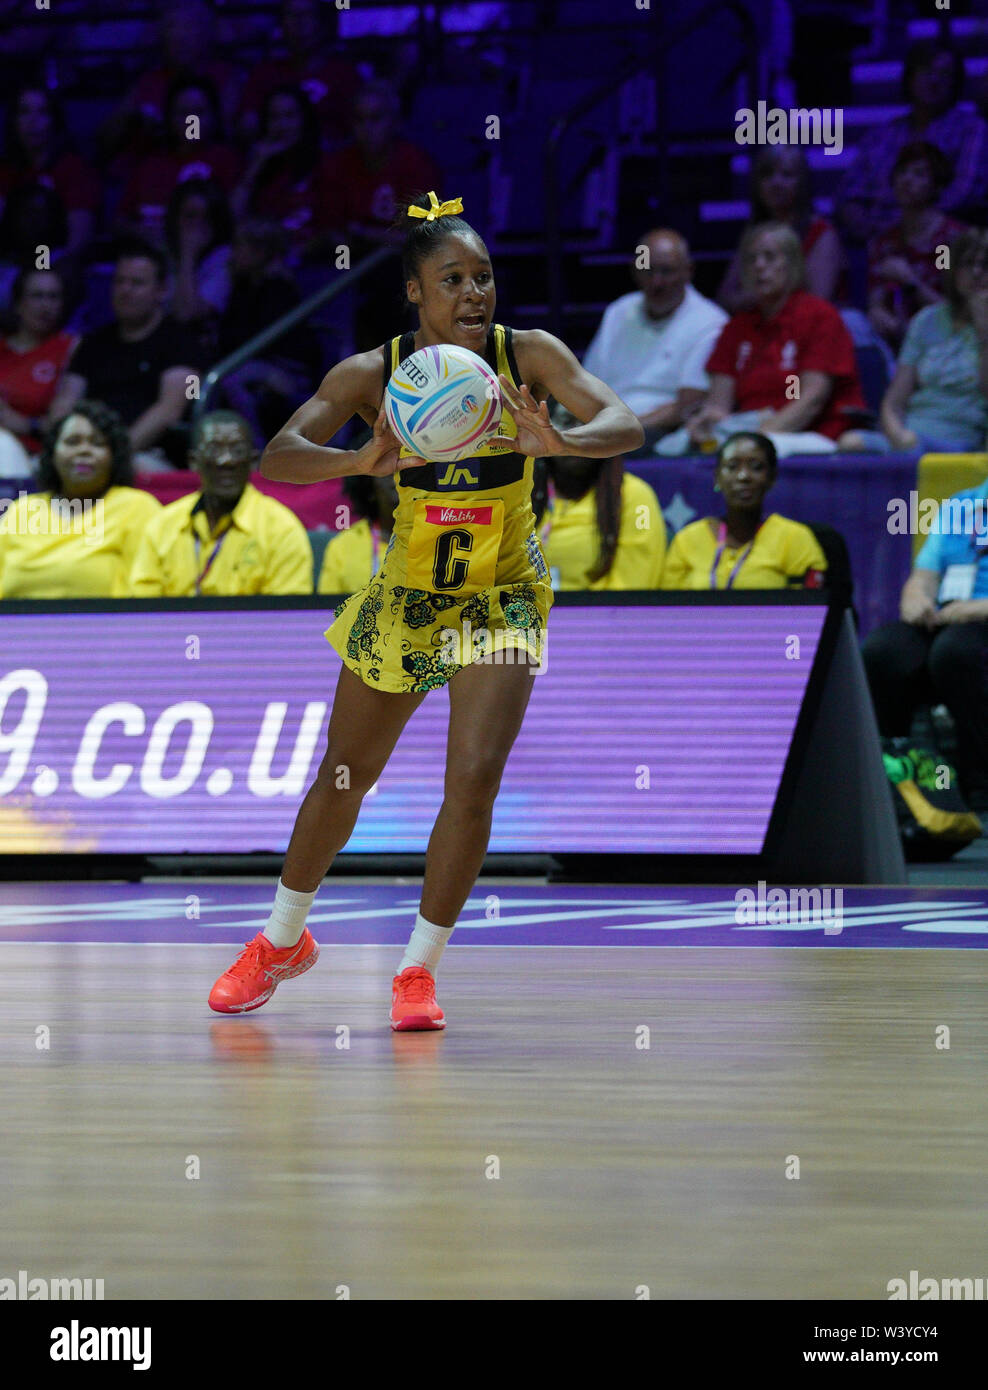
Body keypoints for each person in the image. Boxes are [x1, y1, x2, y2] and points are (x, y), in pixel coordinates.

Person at [206, 191, 643, 1028]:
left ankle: (417, 970)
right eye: (454, 279)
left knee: (473, 781)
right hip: (407, 595)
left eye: (484, 277)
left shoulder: (531, 355)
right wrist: (360, 459)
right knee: (344, 777)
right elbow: (278, 456)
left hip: (501, 595)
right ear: (415, 291)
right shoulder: (373, 372)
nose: (475, 294)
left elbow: (622, 421)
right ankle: (281, 942)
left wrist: (561, 444)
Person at [660, 224, 866, 457]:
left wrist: (758, 437)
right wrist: (707, 425)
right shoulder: (736, 328)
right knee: (672, 448)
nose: (759, 266)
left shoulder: (820, 316)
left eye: (769, 257)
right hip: (747, 431)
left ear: (793, 264)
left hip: (813, 434)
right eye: (751, 260)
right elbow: (719, 406)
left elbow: (811, 400)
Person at [861, 480, 988, 811]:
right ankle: (900, 777)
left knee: (955, 653)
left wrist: (977, 608)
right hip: (948, 616)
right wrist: (915, 598)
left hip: (976, 620)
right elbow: (924, 575)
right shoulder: (961, 505)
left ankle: (979, 783)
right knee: (884, 652)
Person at [314, 82, 441, 351]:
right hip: (349, 260)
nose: (367, 128)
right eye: (359, 120)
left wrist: (365, 234)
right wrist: (360, 239)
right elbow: (332, 229)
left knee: (391, 280)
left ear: (394, 122)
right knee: (334, 266)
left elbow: (422, 236)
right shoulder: (336, 165)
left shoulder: (416, 163)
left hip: (401, 263)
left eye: (376, 118)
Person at [130, 411, 313, 597]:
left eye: (238, 450)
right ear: (194, 462)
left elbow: (285, 616)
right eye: (213, 449)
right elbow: (144, 610)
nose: (226, 460)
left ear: (252, 462)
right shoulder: (162, 526)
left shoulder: (281, 529)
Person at [581, 229, 727, 449]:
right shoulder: (618, 311)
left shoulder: (711, 322)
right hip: (601, 425)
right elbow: (585, 384)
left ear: (689, 271)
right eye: (648, 271)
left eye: (666, 271)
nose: (657, 282)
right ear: (635, 271)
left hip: (655, 432)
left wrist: (620, 431)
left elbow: (687, 406)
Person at [0, 400, 161, 599]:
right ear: (52, 454)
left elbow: (148, 591)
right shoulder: (22, 510)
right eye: (72, 442)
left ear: (114, 456)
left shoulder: (137, 507)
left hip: (109, 628)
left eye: (97, 443)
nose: (84, 450)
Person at [837, 38, 988, 242]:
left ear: (956, 82)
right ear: (910, 77)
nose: (934, 80)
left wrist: (906, 225)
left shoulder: (972, 130)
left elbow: (964, 194)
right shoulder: (882, 134)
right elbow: (850, 193)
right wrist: (864, 226)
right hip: (873, 240)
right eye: (926, 71)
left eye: (944, 74)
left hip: (939, 239)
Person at [69, 239, 200, 469]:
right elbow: (64, 402)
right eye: (120, 281)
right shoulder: (93, 342)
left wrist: (112, 456)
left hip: (148, 456)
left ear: (161, 290)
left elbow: (170, 410)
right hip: (85, 452)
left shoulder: (184, 343)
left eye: (137, 283)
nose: (125, 290)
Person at [661, 432, 827, 590]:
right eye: (732, 467)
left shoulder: (795, 538)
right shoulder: (687, 540)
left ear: (771, 478)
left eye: (756, 467)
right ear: (717, 477)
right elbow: (670, 611)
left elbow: (807, 613)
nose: (743, 476)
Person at [876, 227, 988, 455]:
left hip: (961, 442)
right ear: (954, 270)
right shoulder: (926, 320)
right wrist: (898, 435)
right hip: (911, 435)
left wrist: (984, 331)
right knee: (852, 443)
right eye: (968, 264)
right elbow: (893, 403)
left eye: (986, 265)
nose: (976, 272)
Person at [213, 219, 322, 447]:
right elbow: (230, 335)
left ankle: (258, 448)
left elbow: (263, 340)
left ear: (260, 251)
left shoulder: (280, 288)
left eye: (239, 247)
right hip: (252, 364)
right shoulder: (242, 287)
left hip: (287, 371)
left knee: (229, 381)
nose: (232, 255)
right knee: (220, 379)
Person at [534, 409, 665, 589]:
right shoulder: (524, 492)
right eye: (567, 421)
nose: (579, 433)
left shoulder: (638, 498)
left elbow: (633, 584)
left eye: (588, 424)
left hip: (597, 614)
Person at [717, 147, 845, 312]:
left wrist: (758, 295)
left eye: (787, 175)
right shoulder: (754, 232)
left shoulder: (822, 234)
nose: (776, 183)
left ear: (803, 182)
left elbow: (818, 303)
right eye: (767, 175)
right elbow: (725, 299)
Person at [116, 77, 240, 246]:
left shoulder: (227, 160)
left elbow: (236, 220)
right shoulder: (149, 163)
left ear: (214, 115)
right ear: (169, 117)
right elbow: (120, 221)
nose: (192, 122)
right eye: (184, 113)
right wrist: (142, 233)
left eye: (199, 112)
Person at [867, 142, 965, 348]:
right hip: (896, 340)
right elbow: (876, 299)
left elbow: (957, 312)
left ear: (936, 186)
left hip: (947, 341)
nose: (906, 180)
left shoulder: (949, 241)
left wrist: (911, 281)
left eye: (919, 174)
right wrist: (878, 313)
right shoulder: (884, 242)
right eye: (902, 172)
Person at [0, 84, 100, 263]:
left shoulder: (74, 169)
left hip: (55, 263)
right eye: (24, 112)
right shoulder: (5, 171)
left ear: (55, 119)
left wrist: (43, 266)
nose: (33, 121)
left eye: (42, 112)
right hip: (10, 262)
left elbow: (78, 239)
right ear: (13, 121)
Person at [239, 0, 360, 148]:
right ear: (281, 24)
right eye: (292, 15)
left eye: (307, 15)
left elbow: (360, 130)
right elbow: (247, 128)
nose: (300, 23)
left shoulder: (344, 75)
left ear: (322, 23)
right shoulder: (263, 75)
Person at [231, 86, 330, 260]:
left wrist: (297, 254)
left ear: (304, 120)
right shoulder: (256, 166)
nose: (282, 126)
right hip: (263, 261)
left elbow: (334, 230)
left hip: (314, 260)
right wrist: (256, 166)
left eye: (290, 116)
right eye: (274, 117)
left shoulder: (325, 165)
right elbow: (232, 217)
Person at [0, 267, 84, 462]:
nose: (46, 306)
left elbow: (66, 422)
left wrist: (26, 424)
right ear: (18, 303)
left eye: (53, 297)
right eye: (37, 296)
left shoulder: (72, 348)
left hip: (39, 457)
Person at [165, 177, 234, 334]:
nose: (197, 225)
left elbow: (187, 315)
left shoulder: (225, 258)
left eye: (206, 218)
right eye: (190, 216)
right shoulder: (160, 253)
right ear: (175, 217)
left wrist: (188, 253)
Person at [317, 472, 398, 594]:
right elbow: (327, 610)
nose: (399, 480)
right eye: (390, 473)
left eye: (408, 473)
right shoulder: (343, 546)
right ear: (369, 488)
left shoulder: (435, 538)